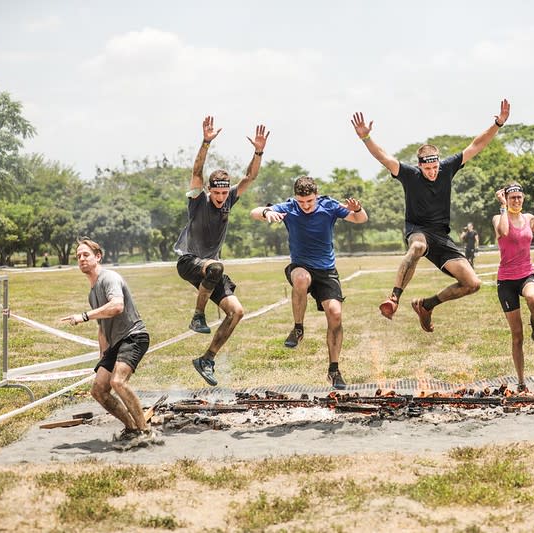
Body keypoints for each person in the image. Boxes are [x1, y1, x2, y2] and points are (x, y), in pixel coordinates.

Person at [351, 99, 510, 332]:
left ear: (438, 162)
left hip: (441, 236)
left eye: (434, 167)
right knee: (416, 248)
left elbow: (476, 145)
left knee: (473, 283)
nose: (432, 172)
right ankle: (394, 298)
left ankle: (426, 305)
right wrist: (366, 137)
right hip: (418, 230)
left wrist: (498, 123)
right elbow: (383, 157)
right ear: (419, 165)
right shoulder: (409, 174)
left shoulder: (447, 168)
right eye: (427, 169)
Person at [174, 116, 269, 386]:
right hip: (190, 261)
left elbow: (250, 176)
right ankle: (198, 316)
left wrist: (258, 151)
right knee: (216, 267)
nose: (221, 198)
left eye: (224, 194)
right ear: (208, 190)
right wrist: (205, 142)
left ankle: (206, 359)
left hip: (212, 270)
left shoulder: (229, 200)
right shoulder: (197, 200)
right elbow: (196, 172)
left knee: (236, 312)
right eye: (217, 194)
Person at [250, 176, 368, 389]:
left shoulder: (329, 206)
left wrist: (358, 209)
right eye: (302, 201)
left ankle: (334, 370)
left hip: (326, 271)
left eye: (310, 201)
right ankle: (298, 329)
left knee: (335, 314)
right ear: (296, 197)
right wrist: (268, 212)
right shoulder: (289, 207)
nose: (305, 206)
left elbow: (360, 219)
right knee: (302, 279)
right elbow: (254, 212)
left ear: (316, 196)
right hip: (301, 266)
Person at [60, 239, 161, 450]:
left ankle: (145, 432)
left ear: (98, 256)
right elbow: (102, 327)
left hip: (134, 336)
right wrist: (103, 357)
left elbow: (117, 306)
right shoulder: (92, 292)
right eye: (78, 256)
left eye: (85, 254)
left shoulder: (109, 278)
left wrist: (84, 316)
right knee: (98, 390)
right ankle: (131, 428)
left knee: (118, 382)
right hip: (114, 343)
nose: (81, 259)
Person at [493, 184, 534, 392]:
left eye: (519, 197)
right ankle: (521, 381)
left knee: (533, 299)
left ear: (523, 198)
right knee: (517, 336)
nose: (516, 201)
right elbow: (503, 231)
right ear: (505, 198)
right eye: (512, 197)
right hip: (506, 281)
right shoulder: (498, 218)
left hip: (526, 274)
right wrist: (503, 207)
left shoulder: (529, 219)